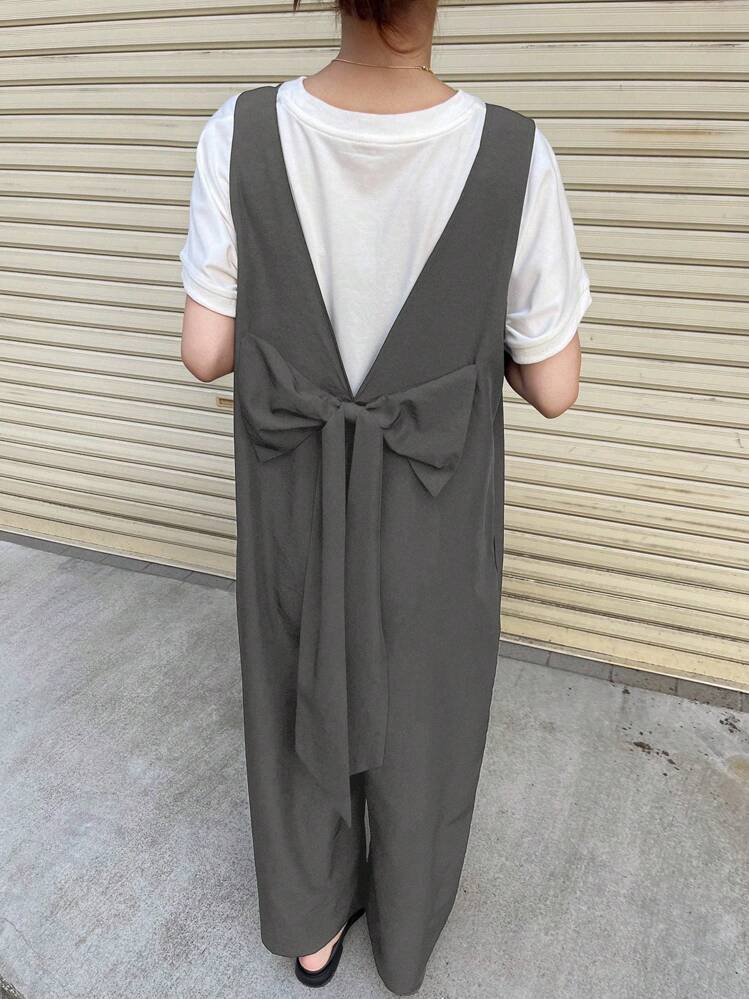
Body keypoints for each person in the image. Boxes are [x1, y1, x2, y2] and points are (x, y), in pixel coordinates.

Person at [179, 0, 591, 993]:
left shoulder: (241, 129)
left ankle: (311, 927)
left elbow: (203, 351)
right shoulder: (514, 154)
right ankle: (403, 939)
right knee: (426, 709)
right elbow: (553, 386)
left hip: (294, 491)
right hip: (432, 495)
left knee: (296, 686)